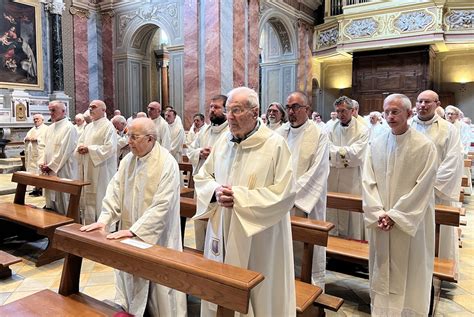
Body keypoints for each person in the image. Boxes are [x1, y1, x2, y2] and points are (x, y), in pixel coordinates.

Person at [193, 87, 296, 316]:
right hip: (222, 227)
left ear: (254, 112)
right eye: (228, 110)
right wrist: (215, 191)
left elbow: (285, 192)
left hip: (260, 236)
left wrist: (240, 197)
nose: (230, 116)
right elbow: (203, 176)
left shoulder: (275, 144)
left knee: (259, 293)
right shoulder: (223, 141)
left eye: (237, 110)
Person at [80, 118, 187, 317]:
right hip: (129, 233)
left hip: (157, 237)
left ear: (150, 139)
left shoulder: (166, 163)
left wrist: (135, 230)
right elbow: (115, 190)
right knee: (131, 281)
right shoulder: (129, 160)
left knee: (159, 292)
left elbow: (162, 205)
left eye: (134, 137)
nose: (128, 141)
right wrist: (104, 219)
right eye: (128, 135)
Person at [363, 93, 436, 316]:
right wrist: (379, 213)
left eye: (395, 112)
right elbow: (368, 181)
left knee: (411, 273)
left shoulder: (424, 146)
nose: (390, 116)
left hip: (409, 223)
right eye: (386, 111)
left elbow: (423, 187)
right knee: (382, 270)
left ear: (409, 113)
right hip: (382, 222)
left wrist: (395, 215)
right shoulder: (376, 143)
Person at [277, 91, 329, 289]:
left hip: (305, 203)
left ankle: (308, 291)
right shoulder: (279, 133)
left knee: (305, 252)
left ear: (307, 109)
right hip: (280, 203)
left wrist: (289, 193)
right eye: (288, 107)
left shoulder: (319, 134)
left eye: (296, 107)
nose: (291, 112)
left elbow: (318, 172)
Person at [411, 90, 463, 281]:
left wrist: (427, 185)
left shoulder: (449, 130)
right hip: (410, 192)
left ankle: (438, 273)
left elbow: (452, 162)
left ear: (437, 104)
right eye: (419, 101)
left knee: (436, 234)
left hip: (436, 192)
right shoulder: (406, 125)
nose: (422, 105)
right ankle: (413, 271)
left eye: (427, 102)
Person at [187, 94, 229, 250]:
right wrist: (199, 152)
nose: (212, 110)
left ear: (226, 109)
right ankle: (200, 257)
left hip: (219, 186)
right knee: (200, 226)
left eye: (217, 107)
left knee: (218, 228)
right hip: (202, 186)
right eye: (211, 107)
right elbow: (190, 150)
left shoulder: (230, 131)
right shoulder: (204, 131)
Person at [327, 96, 369, 239]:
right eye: (338, 111)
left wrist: (336, 155)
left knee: (351, 212)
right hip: (332, 178)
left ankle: (353, 248)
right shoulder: (329, 127)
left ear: (352, 111)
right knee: (333, 211)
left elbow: (357, 155)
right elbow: (326, 150)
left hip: (352, 179)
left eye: (344, 111)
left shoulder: (363, 129)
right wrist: (345, 155)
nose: (340, 115)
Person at [76, 100, 117, 224]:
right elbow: (80, 142)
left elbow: (110, 148)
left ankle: (102, 225)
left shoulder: (109, 126)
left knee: (101, 196)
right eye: (89, 107)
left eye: (94, 107)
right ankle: (88, 223)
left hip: (101, 169)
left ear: (103, 110)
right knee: (88, 195)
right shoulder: (88, 127)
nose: (90, 109)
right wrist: (80, 148)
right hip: (88, 166)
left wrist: (89, 149)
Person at [38, 101, 78, 215]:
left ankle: (65, 224)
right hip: (49, 169)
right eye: (50, 110)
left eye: (53, 110)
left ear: (63, 111)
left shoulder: (69, 128)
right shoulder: (50, 128)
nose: (51, 113)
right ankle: (51, 222)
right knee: (51, 200)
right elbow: (43, 147)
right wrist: (42, 163)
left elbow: (64, 151)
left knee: (63, 199)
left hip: (62, 169)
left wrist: (51, 166)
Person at [24, 114, 47, 196]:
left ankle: (40, 189)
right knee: (32, 171)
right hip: (31, 155)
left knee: (39, 171)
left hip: (40, 154)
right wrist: (26, 139)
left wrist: (37, 139)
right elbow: (26, 137)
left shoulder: (46, 129)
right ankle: (35, 188)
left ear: (42, 120)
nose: (35, 120)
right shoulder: (32, 129)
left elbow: (47, 140)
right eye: (34, 119)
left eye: (37, 119)